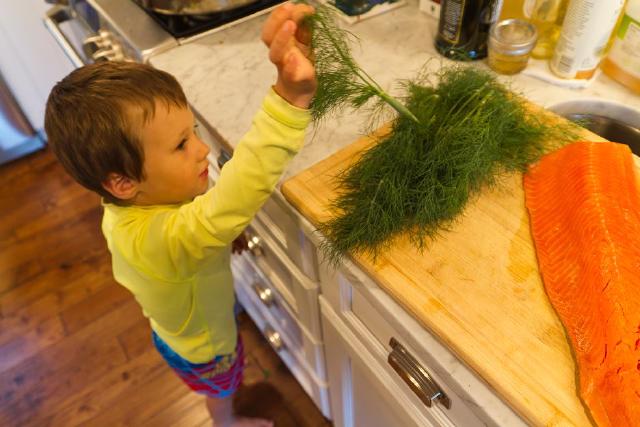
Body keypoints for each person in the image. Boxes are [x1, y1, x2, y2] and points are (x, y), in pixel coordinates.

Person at [43, 3, 316, 426]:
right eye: (181, 145)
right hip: (204, 346)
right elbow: (229, 202)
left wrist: (220, 239)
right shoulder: (162, 238)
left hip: (180, 329)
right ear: (122, 182)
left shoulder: (129, 206)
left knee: (225, 377)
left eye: (192, 133)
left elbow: (194, 225)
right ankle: (225, 422)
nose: (202, 149)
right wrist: (289, 101)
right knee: (221, 390)